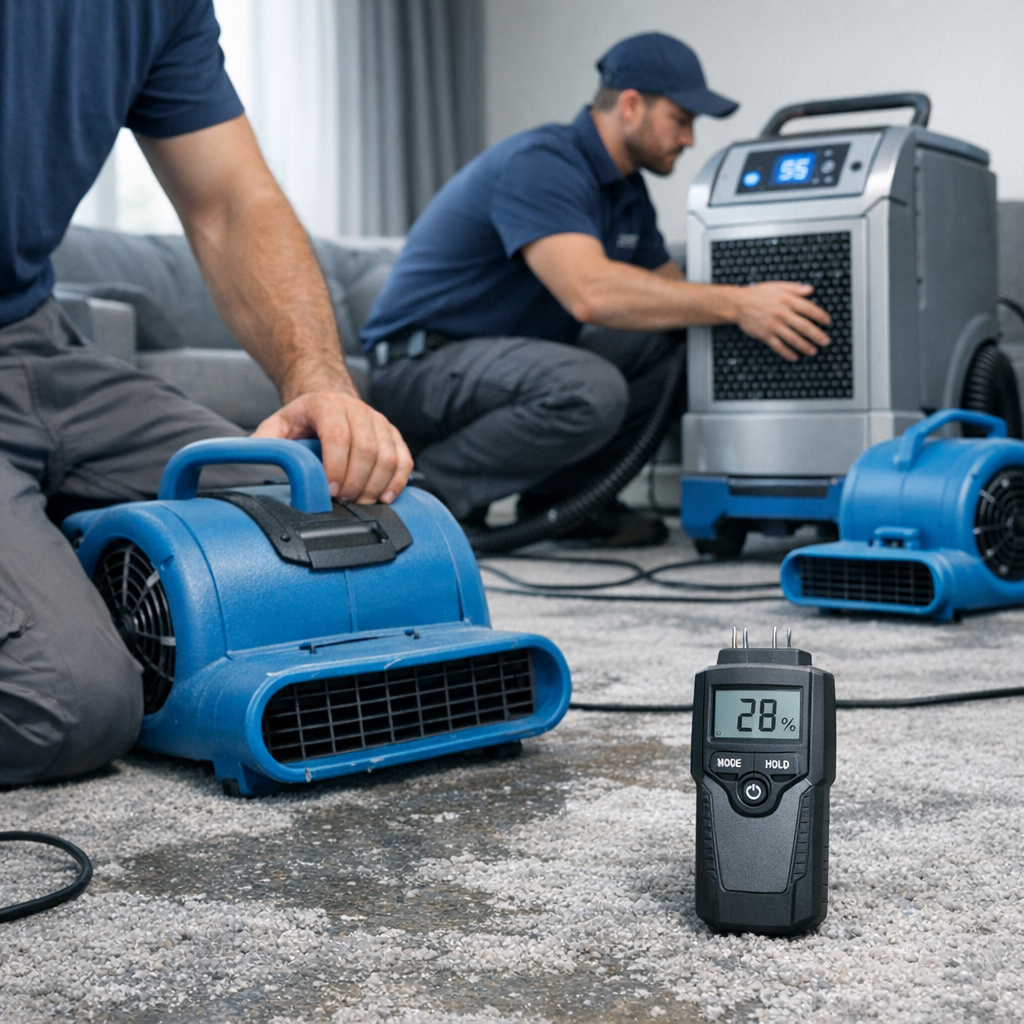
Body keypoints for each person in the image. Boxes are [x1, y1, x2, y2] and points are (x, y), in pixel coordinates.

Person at [0, 0, 412, 787]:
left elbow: (230, 202)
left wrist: (319, 379)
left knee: (357, 522)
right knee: (67, 702)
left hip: (34, 337)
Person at [362, 32, 831, 546]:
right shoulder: (544, 163)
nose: (690, 139)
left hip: (500, 366)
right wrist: (740, 304)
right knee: (589, 387)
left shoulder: (627, 193)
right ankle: (426, 496)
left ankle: (566, 502)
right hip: (418, 367)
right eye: (682, 119)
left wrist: (754, 303)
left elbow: (674, 297)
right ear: (631, 105)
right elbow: (590, 293)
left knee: (681, 343)